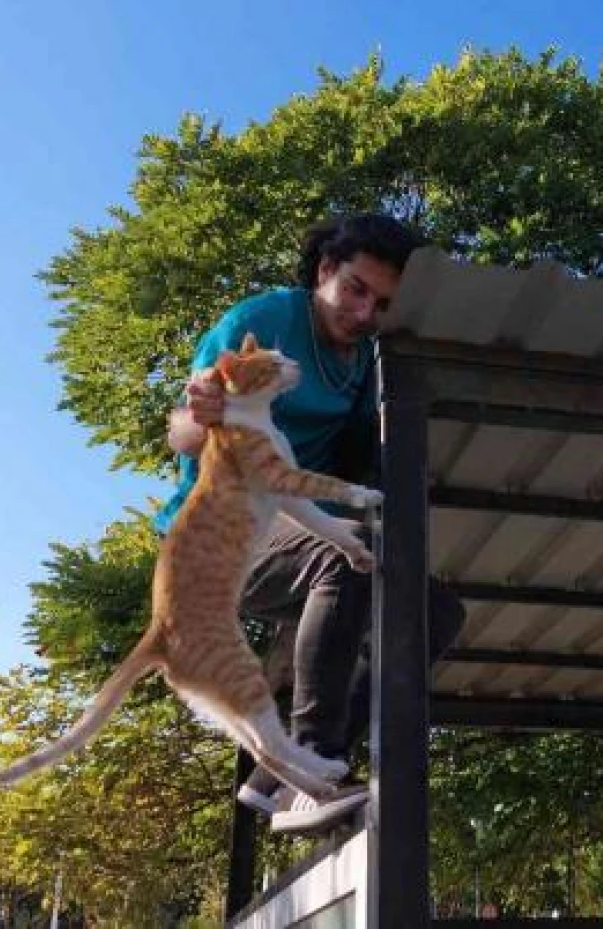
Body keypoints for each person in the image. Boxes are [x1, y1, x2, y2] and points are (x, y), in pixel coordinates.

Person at [160, 213, 466, 835]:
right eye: (354, 289)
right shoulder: (263, 322)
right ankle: (317, 763)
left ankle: (277, 773)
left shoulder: (371, 357)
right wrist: (206, 412)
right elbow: (182, 434)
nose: (363, 313)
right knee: (343, 558)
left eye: (382, 303)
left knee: (435, 612)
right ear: (325, 269)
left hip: (296, 523)